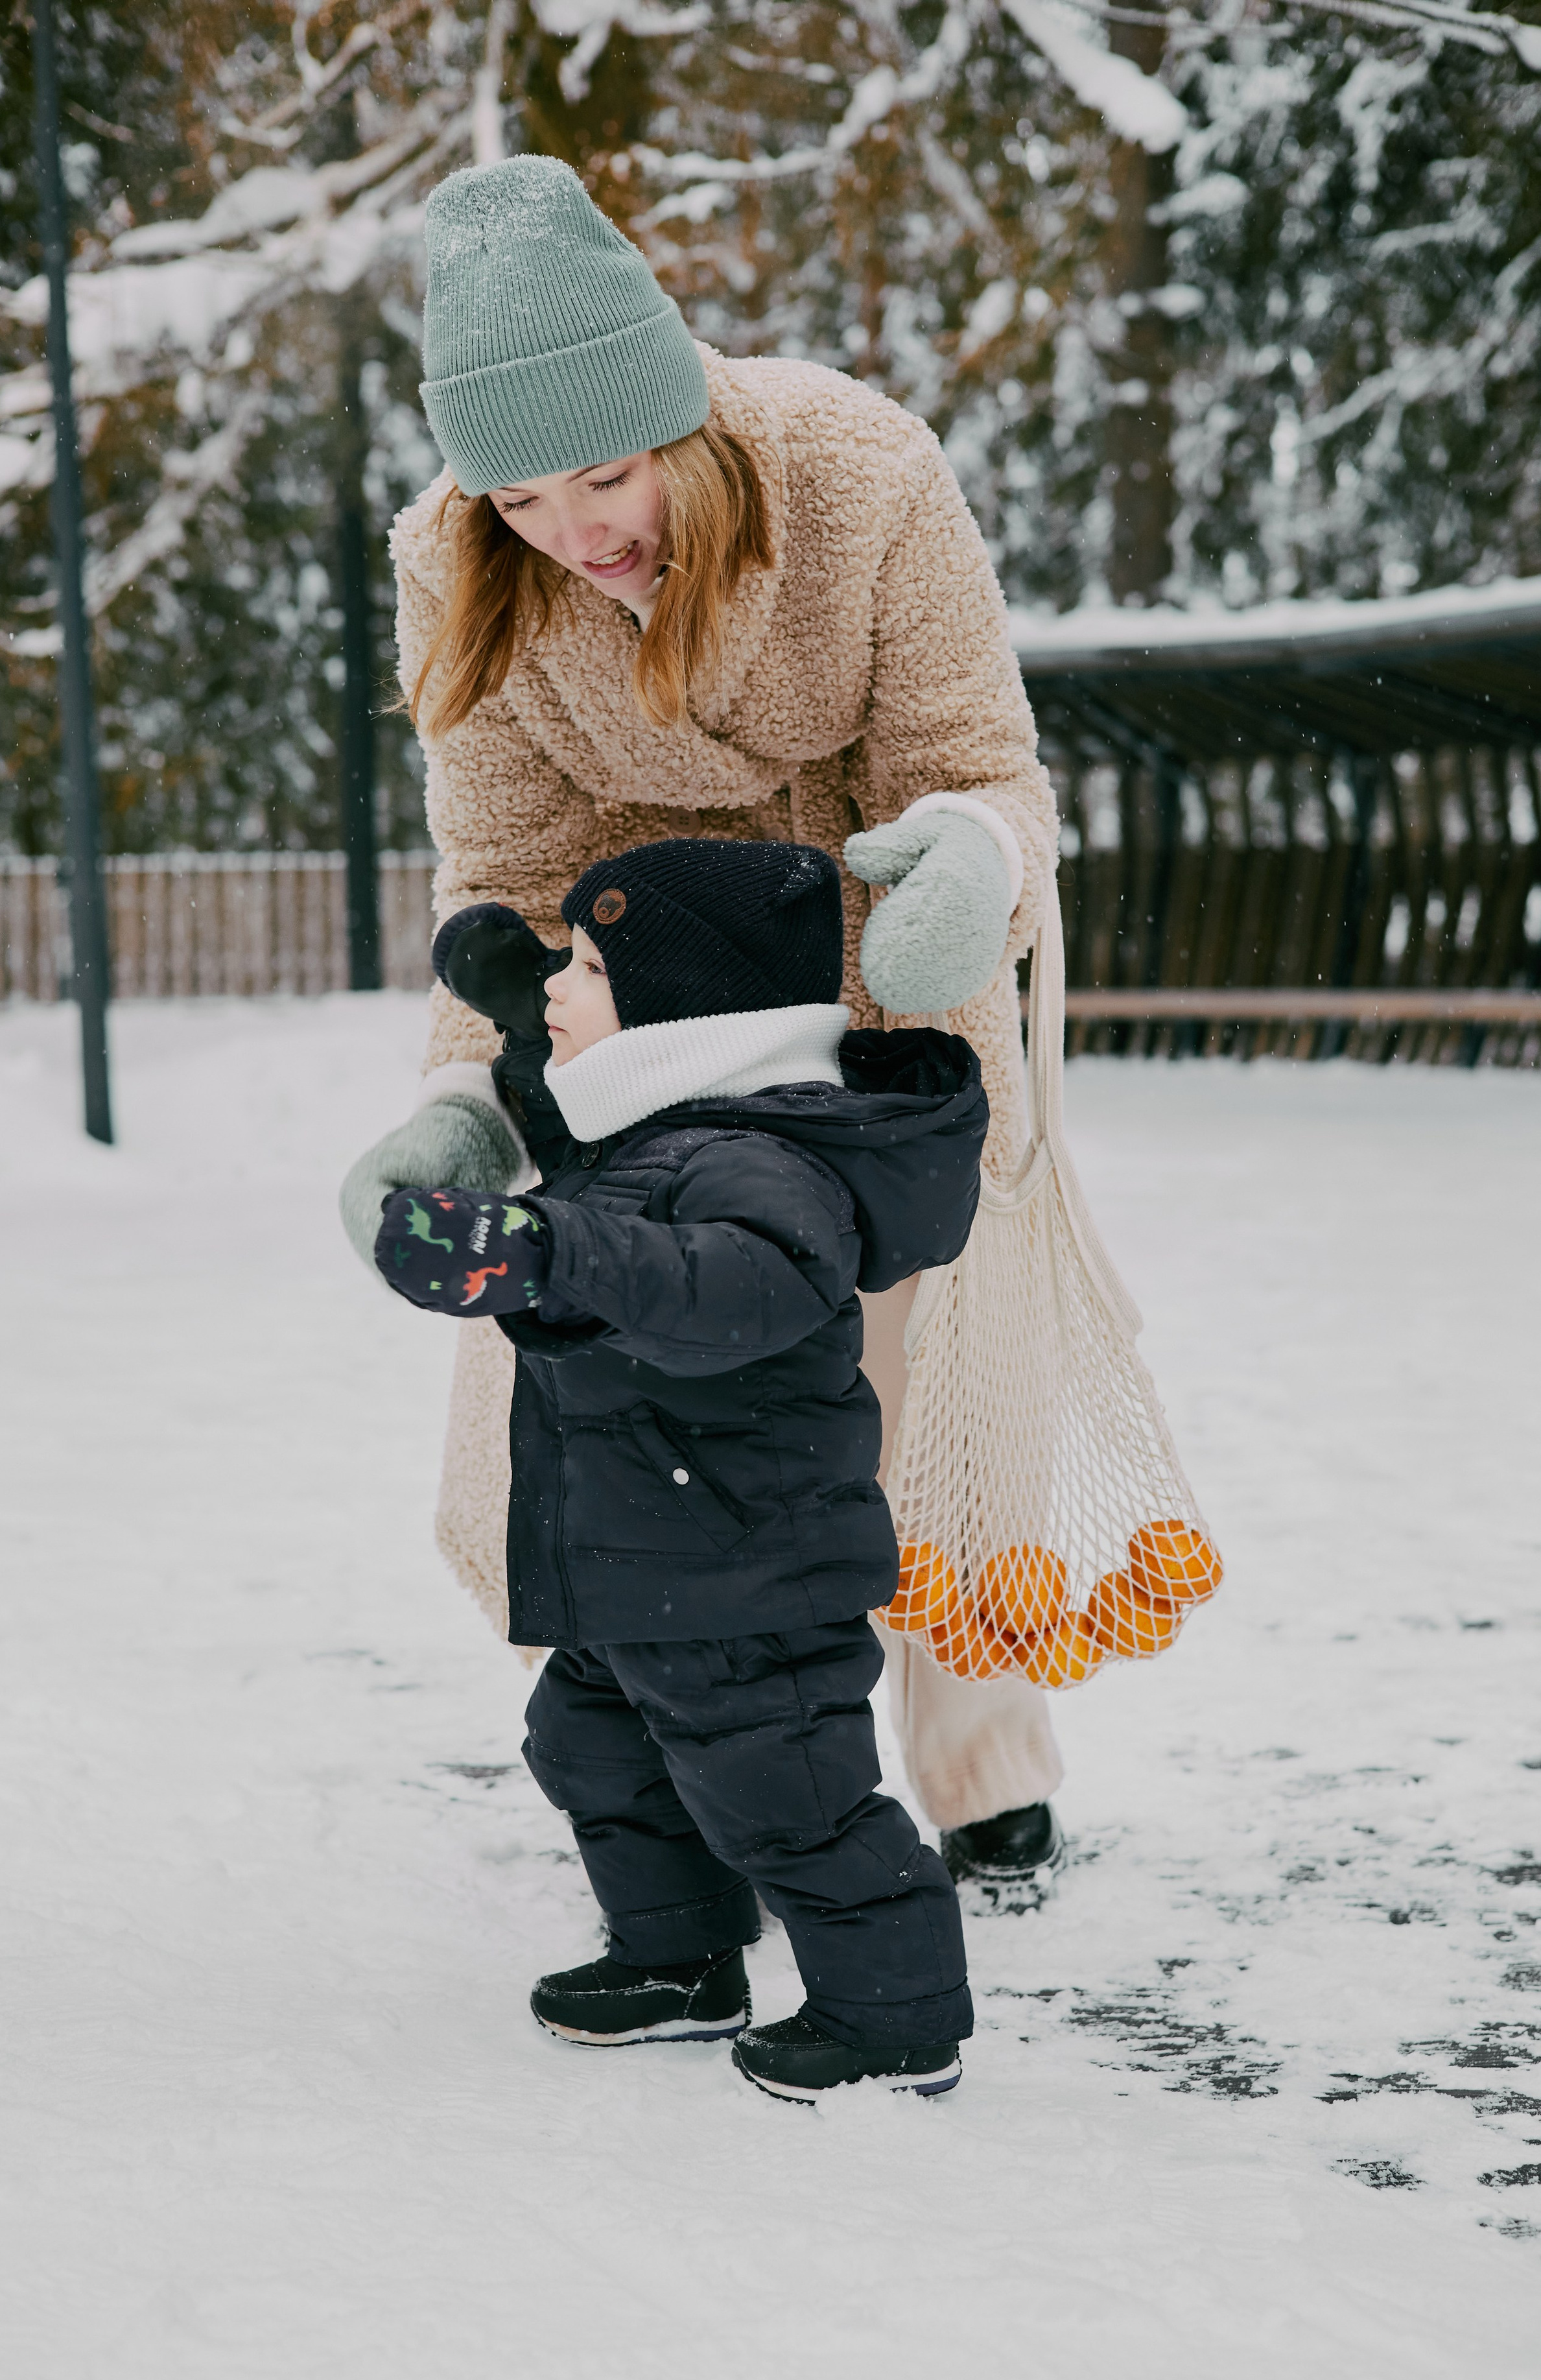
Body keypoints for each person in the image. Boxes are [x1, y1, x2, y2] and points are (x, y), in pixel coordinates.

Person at [340, 154, 1065, 1900]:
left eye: (608, 471)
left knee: (915, 1375)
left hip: (893, 957)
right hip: (638, 1018)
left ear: (685, 419)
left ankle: (980, 1757)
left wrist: (968, 864)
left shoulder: (859, 472)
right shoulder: (461, 570)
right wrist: (468, 1103)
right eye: (520, 498)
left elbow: (974, 764)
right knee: (602, 1363)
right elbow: (505, 892)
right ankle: (680, 1744)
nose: (575, 531)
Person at [373, 837, 984, 2099]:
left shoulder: (761, 1161)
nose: (556, 984)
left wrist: (543, 1254)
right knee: (591, 1754)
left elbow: (727, 1290)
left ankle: (894, 2017)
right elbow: (586, 1144)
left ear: (684, 1011)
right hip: (638, 1563)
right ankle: (677, 1958)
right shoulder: (659, 1130)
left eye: (586, 966)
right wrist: (513, 1008)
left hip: (742, 1570)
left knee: (789, 1797)